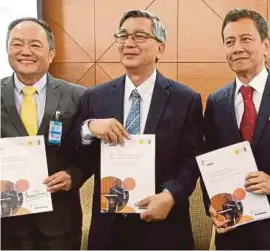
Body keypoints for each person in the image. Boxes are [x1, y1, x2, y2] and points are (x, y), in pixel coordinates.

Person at [68, 9, 203, 250]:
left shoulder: (186, 99)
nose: (129, 43)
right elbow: (77, 152)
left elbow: (192, 159)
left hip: (164, 225)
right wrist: (89, 128)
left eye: (139, 36)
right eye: (123, 35)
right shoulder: (95, 97)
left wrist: (170, 196)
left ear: (160, 48)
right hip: (109, 227)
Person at [1, 17, 87, 249]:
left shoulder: (78, 97)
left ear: (51, 54)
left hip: (59, 224)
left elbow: (91, 151)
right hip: (5, 224)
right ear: (7, 49)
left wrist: (74, 175)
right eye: (17, 44)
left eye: (35, 45)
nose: (25, 51)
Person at [202, 8, 270, 249]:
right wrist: (212, 204)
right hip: (233, 233)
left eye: (246, 39)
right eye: (229, 41)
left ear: (266, 44)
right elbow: (208, 160)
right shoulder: (215, 101)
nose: (237, 48)